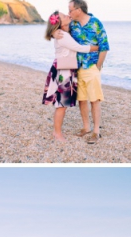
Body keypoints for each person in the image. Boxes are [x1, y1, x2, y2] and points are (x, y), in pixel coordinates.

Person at [42, 11, 98, 142]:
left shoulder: (64, 32)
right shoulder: (63, 36)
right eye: (63, 16)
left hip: (65, 69)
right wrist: (98, 47)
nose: (68, 15)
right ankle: (57, 133)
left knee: (62, 104)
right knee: (61, 105)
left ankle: (57, 132)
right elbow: (80, 48)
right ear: (60, 23)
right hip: (64, 72)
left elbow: (86, 16)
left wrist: (52, 32)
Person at [67, 0, 110, 144]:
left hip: (91, 67)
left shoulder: (95, 23)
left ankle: (96, 131)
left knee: (94, 100)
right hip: (76, 67)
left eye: (70, 10)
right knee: (82, 99)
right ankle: (86, 127)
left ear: (78, 10)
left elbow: (104, 46)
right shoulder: (72, 24)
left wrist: (98, 66)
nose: (69, 13)